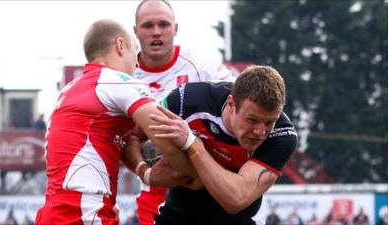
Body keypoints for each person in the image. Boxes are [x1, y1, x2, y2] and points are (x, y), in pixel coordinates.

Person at [34, 19, 191, 225]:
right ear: (119, 46)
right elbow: (165, 133)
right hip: (82, 213)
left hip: (53, 212)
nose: (137, 62)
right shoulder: (116, 81)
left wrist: (146, 173)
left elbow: (114, 141)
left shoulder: (69, 90)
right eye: (135, 50)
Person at [143, 65, 298, 225]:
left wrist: (193, 145)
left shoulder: (282, 135)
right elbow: (133, 135)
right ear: (231, 104)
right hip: (176, 216)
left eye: (269, 122)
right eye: (252, 120)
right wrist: (144, 172)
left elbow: (235, 200)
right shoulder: (187, 100)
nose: (260, 131)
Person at [128, 0, 235, 224]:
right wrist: (144, 171)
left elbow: (238, 111)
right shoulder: (123, 77)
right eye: (148, 25)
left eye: (163, 24)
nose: (156, 32)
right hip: (155, 190)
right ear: (135, 31)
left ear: (175, 28)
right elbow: (123, 139)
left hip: (204, 186)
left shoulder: (201, 66)